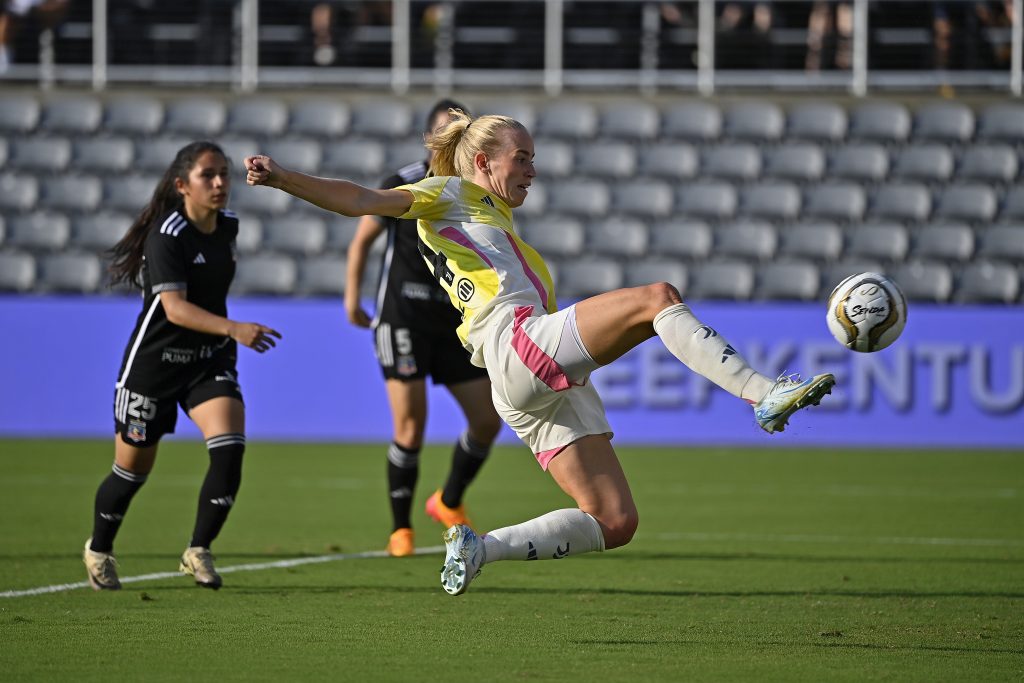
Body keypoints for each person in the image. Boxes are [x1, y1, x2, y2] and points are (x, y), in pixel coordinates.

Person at [244, 109, 835, 596]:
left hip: (520, 376)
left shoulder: (490, 214)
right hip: (516, 342)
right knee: (657, 298)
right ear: (483, 162)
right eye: (520, 157)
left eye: (532, 157)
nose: (532, 168)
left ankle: (481, 548)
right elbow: (357, 199)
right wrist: (282, 178)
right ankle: (763, 394)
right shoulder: (445, 191)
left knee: (615, 521)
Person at [83, 141, 282, 591]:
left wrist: (224, 335)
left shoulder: (227, 227)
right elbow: (173, 309)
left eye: (224, 174)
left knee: (230, 446)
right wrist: (234, 328)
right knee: (131, 472)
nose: (219, 183)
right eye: (208, 175)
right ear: (181, 185)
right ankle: (98, 548)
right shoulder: (167, 235)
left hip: (207, 358)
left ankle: (198, 549)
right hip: (155, 364)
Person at [345, 99, 502, 557]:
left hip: (454, 323)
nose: (452, 137)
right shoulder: (405, 181)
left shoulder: (475, 188)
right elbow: (362, 240)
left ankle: (448, 501)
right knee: (411, 430)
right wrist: (352, 298)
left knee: (488, 421)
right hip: (403, 319)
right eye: (444, 130)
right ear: (429, 138)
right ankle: (401, 530)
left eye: (461, 129)